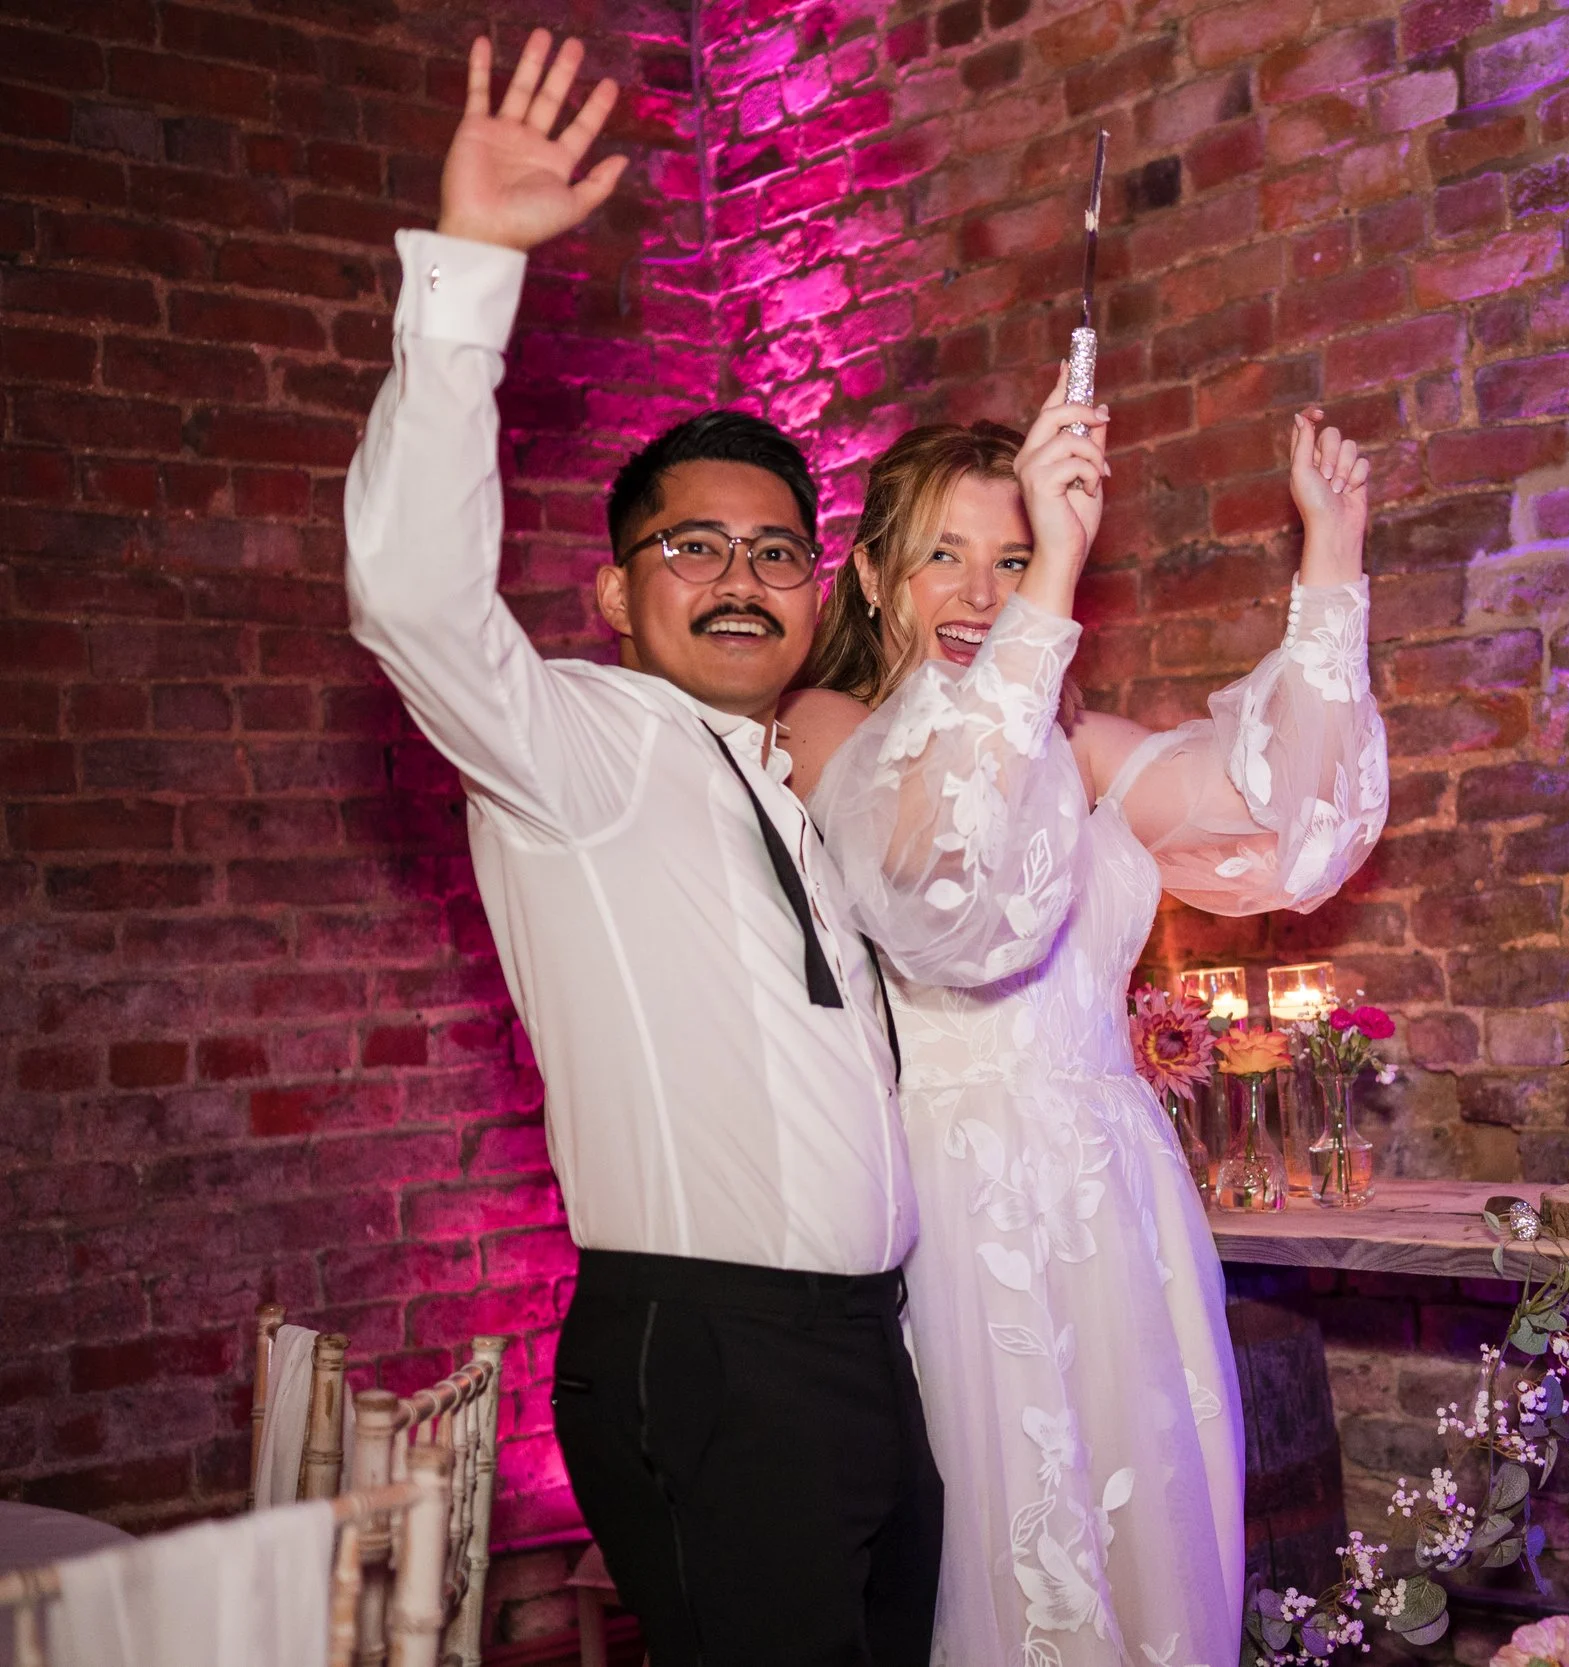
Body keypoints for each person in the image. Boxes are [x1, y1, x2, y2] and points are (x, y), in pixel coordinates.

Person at [342, 33, 1105, 1664]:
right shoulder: (577, 751)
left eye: (775, 549)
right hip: (710, 1345)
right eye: (693, 547)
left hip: (864, 1350)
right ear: (614, 592)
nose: (743, 577)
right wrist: (470, 270)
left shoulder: (807, 773)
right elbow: (411, 597)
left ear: (821, 590)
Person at [778, 405, 1389, 1665]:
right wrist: (1046, 593)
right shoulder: (823, 723)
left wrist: (1330, 561)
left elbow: (1288, 827)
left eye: (1014, 557)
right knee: (1008, 1567)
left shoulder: (1080, 747)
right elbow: (936, 874)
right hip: (961, 1214)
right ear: (872, 576)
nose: (982, 592)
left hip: (1120, 1206)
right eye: (944, 555)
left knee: (1154, 1568)